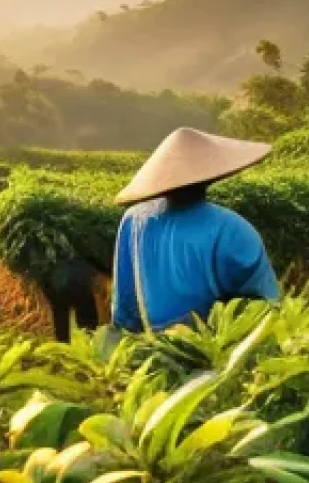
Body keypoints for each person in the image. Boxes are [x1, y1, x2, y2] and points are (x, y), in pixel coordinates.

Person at [111, 127, 279, 333]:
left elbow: (125, 307)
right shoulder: (232, 229)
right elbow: (264, 308)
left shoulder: (134, 219)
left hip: (151, 351)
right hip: (218, 354)